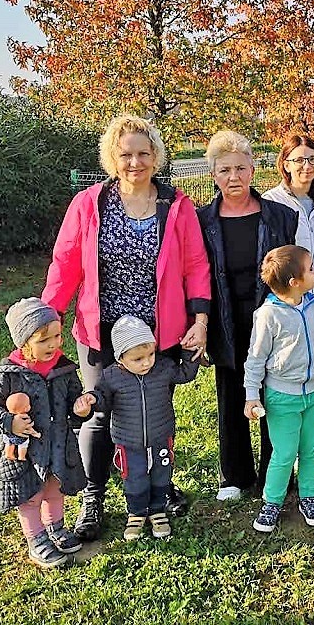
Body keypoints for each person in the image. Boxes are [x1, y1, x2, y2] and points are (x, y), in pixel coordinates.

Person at [42, 114, 210, 540]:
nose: (135, 162)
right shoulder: (90, 203)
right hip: (102, 329)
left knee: (155, 413)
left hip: (158, 333)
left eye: (143, 153)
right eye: (125, 154)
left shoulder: (177, 204)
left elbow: (195, 265)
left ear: (155, 156)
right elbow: (65, 264)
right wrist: (47, 319)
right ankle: (93, 498)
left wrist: (201, 319)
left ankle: (160, 487)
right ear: (112, 159)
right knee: (98, 413)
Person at [197, 130, 297, 500]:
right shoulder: (201, 220)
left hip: (271, 320)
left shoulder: (281, 217)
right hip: (225, 318)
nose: (233, 177)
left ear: (254, 169)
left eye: (241, 167)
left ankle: (277, 473)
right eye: (225, 170)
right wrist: (200, 321)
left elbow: (289, 271)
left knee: (274, 394)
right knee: (231, 395)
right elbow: (198, 274)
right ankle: (235, 476)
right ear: (213, 174)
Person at [0, 298, 93, 569]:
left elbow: (73, 400)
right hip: (25, 451)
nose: (53, 344)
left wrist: (80, 408)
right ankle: (36, 538)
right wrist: (9, 422)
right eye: (44, 340)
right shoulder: (7, 375)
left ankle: (55, 526)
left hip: (57, 445)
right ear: (24, 342)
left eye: (57, 336)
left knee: (55, 489)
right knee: (30, 495)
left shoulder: (63, 369)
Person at [244, 246, 314, 533]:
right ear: (294, 282)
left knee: (311, 449)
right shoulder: (268, 315)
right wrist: (252, 395)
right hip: (282, 398)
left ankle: (309, 496)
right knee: (285, 452)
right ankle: (271, 502)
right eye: (311, 268)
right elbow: (255, 359)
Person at [80, 316, 199, 541]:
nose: (146, 363)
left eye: (150, 355)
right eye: (137, 359)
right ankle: (136, 512)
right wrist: (91, 400)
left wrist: (189, 353)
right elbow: (103, 400)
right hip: (128, 442)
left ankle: (157, 511)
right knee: (135, 478)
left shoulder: (162, 368)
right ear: (120, 358)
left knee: (161, 475)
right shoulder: (112, 376)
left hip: (160, 438)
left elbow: (185, 374)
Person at [262, 133, 314, 307]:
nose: (307, 166)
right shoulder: (272, 202)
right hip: (288, 304)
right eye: (299, 160)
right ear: (286, 165)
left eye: (312, 159)